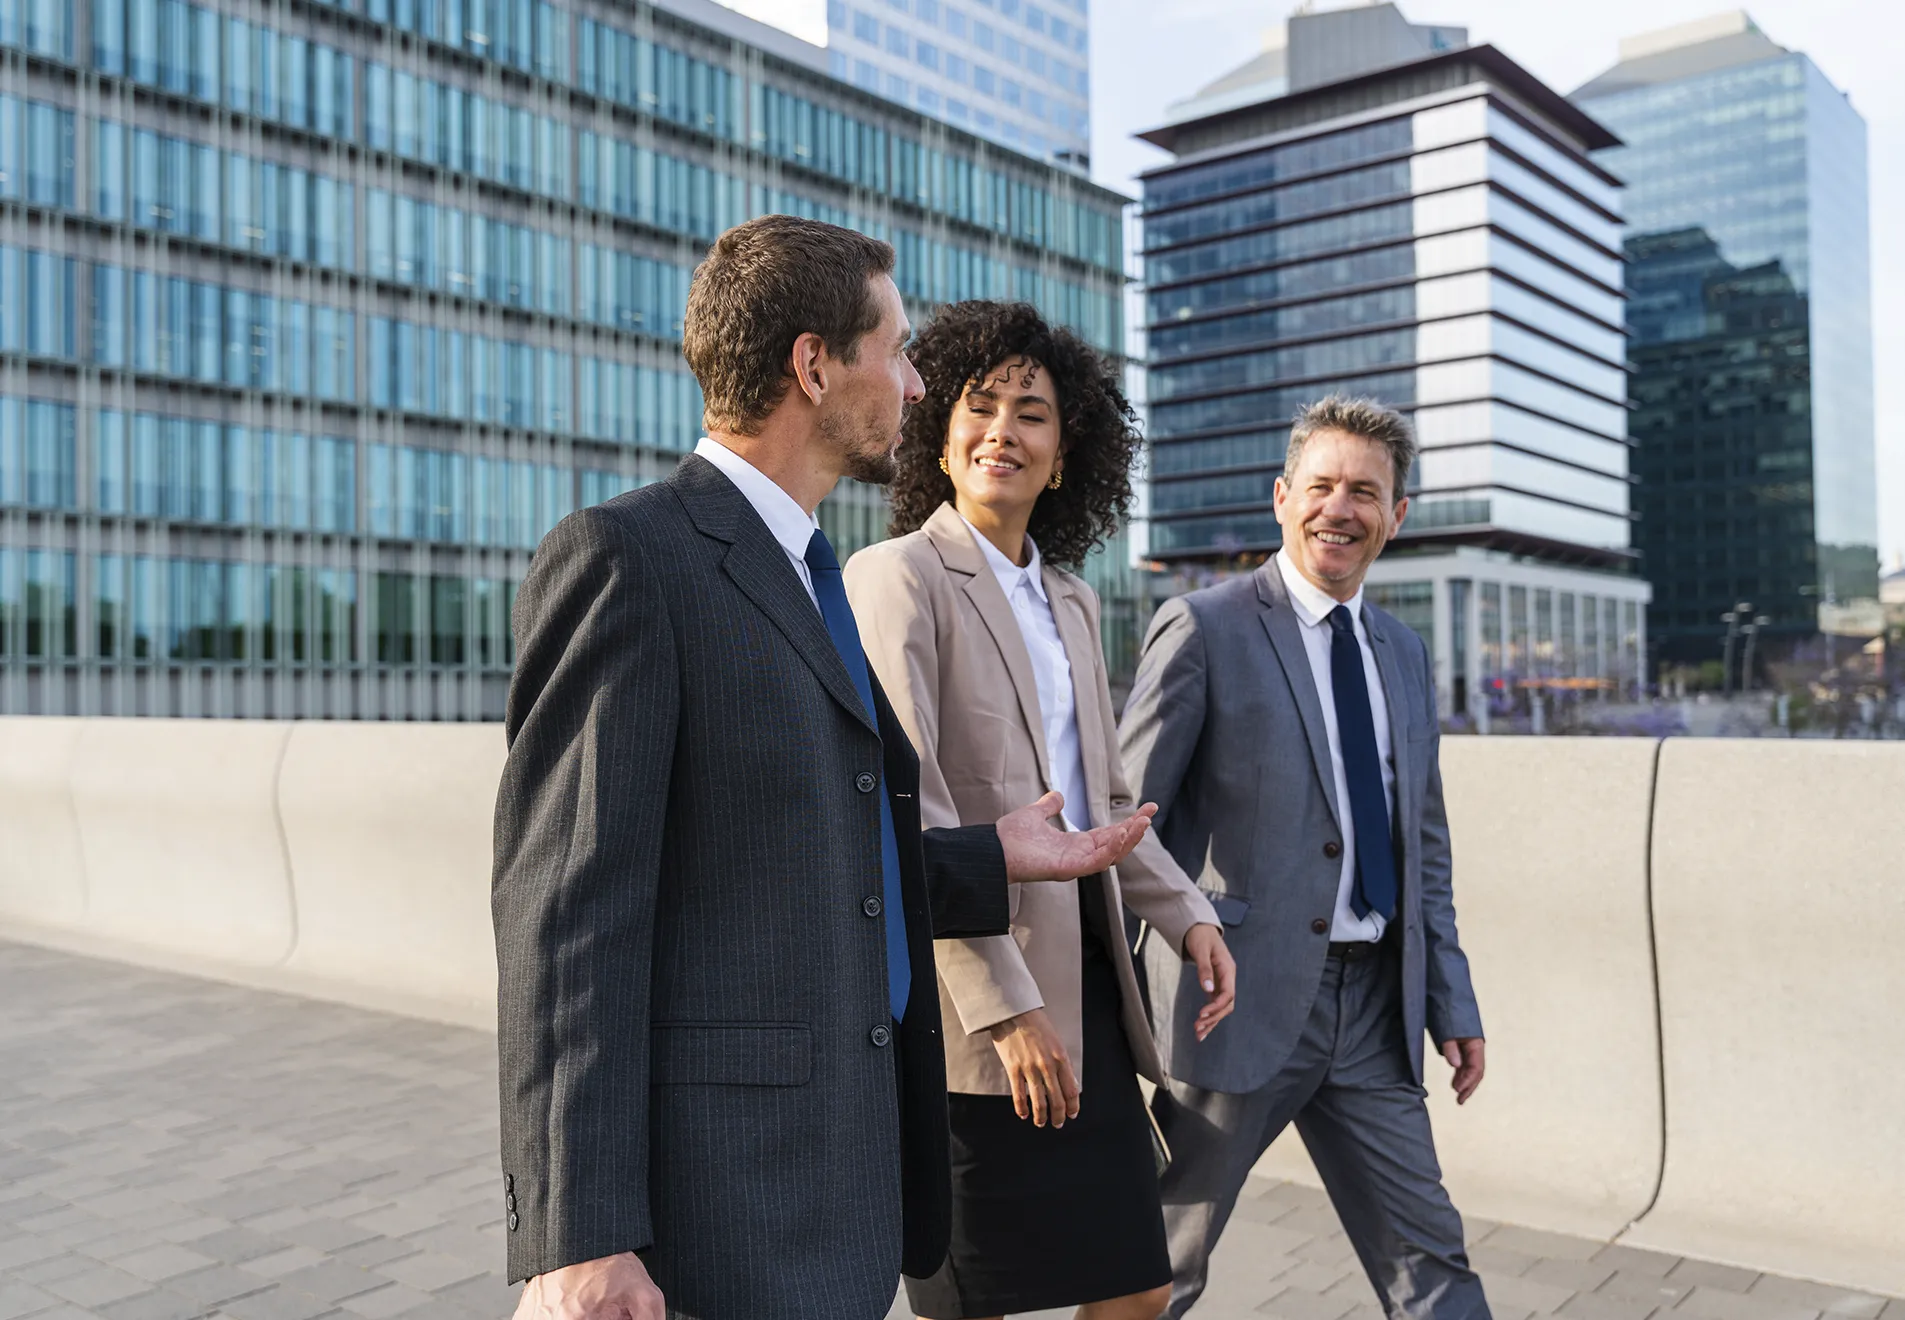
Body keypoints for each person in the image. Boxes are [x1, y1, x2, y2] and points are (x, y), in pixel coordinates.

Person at [491, 217, 1164, 1320]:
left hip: (838, 1192)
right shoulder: (630, 559)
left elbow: (808, 849)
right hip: (715, 1208)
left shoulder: (813, 573)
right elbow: (566, 918)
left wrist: (985, 856)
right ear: (814, 365)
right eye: (896, 353)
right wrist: (582, 1235)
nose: (912, 386)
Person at [844, 300, 1237, 1320]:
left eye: (1033, 413)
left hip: (1091, 996)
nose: (1004, 431)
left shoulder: (1071, 597)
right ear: (941, 432)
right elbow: (910, 815)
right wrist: (1006, 1007)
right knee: (971, 1303)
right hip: (976, 1014)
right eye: (981, 406)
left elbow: (1102, 801)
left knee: (1138, 1288)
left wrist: (1187, 912)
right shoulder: (897, 580)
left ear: (1065, 456)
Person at [1119, 395, 1490, 1320]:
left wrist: (1451, 996)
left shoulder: (1402, 651)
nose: (1340, 507)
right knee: (1161, 1266)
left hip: (1372, 1010)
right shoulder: (1202, 626)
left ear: (1395, 516)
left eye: (1365, 491)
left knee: (1432, 1260)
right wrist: (1103, 1001)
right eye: (1320, 485)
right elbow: (1127, 826)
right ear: (1282, 498)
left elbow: (1423, 848)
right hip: (1228, 999)